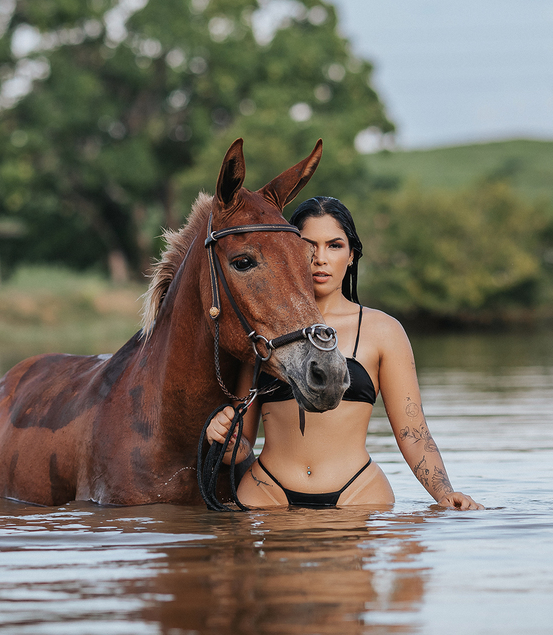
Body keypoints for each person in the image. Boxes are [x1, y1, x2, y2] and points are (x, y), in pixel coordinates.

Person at [206, 196, 483, 510]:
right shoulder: (264, 330)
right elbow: (243, 443)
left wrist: (444, 493)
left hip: (358, 495)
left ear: (351, 255)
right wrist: (227, 439)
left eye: (334, 245)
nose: (320, 258)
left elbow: (413, 432)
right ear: (291, 253)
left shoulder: (383, 331)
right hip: (267, 494)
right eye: (309, 246)